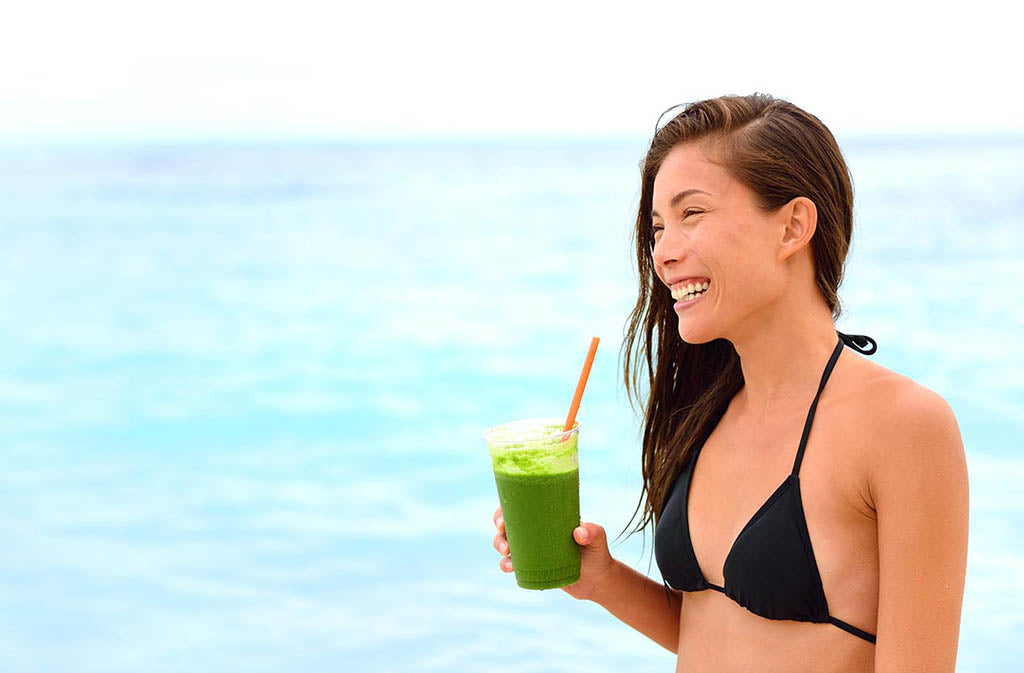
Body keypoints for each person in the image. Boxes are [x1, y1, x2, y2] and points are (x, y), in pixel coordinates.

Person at [492, 93, 969, 672]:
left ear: (793, 226)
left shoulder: (901, 425)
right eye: (658, 226)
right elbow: (713, 630)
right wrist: (603, 580)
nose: (663, 253)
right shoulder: (710, 412)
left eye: (692, 214)